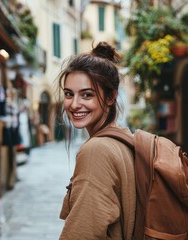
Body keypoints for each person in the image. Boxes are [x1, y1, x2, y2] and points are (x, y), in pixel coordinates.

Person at [57, 42, 136, 239]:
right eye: (69, 94)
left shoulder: (96, 150)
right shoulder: (124, 138)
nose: (74, 104)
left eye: (87, 95)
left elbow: (82, 233)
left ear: (111, 97)